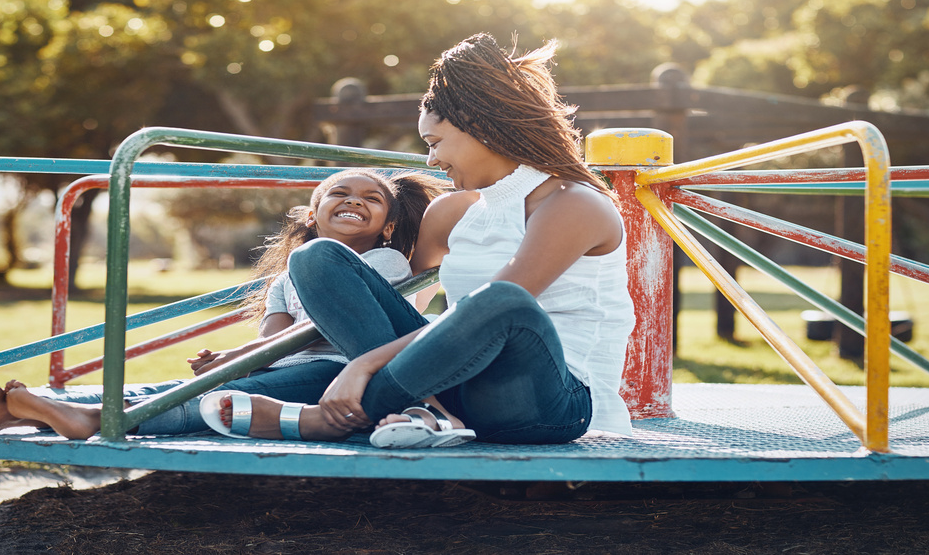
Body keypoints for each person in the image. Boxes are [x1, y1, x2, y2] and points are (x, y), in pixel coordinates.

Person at [204, 32, 635, 448]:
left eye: (434, 142)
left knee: (501, 301)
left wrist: (363, 366)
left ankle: (326, 419)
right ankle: (419, 410)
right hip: (457, 387)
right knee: (318, 257)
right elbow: (388, 311)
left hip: (549, 403)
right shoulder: (451, 213)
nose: (430, 159)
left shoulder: (573, 203)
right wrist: (258, 351)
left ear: (478, 126)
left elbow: (491, 308)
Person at [0, 168, 450, 440]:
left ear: (387, 224)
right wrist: (232, 360)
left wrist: (234, 362)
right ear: (312, 213)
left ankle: (90, 420)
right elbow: (271, 340)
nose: (354, 200)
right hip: (285, 368)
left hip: (339, 369)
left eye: (372, 198)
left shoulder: (385, 263)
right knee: (181, 383)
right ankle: (14, 412)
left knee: (205, 394)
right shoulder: (285, 276)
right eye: (339, 192)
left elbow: (325, 329)